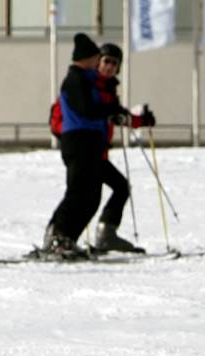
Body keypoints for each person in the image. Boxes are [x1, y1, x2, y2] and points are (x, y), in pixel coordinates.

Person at [41, 33, 132, 260]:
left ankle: (68, 239)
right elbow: (87, 109)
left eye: (113, 63)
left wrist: (124, 115)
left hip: (91, 144)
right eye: (98, 59)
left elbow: (103, 108)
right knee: (78, 194)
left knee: (91, 197)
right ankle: (56, 236)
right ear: (88, 59)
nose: (101, 64)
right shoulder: (76, 80)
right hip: (78, 142)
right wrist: (111, 113)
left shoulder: (90, 80)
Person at [91, 42, 154, 253]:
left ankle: (104, 234)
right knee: (88, 197)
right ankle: (70, 237)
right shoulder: (92, 84)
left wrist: (141, 121)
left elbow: (119, 114)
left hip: (99, 152)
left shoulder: (108, 88)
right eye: (106, 61)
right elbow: (95, 110)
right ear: (98, 61)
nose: (109, 66)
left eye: (114, 63)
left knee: (119, 188)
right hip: (87, 150)